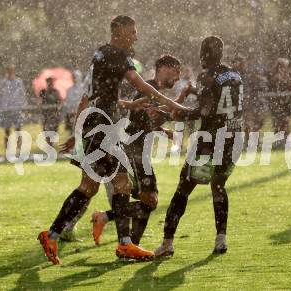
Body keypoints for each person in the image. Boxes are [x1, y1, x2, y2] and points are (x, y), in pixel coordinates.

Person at [37, 15, 189, 265]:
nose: (135, 37)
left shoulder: (100, 55)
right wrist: (173, 104)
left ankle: (52, 235)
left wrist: (81, 131)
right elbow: (141, 84)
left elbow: (93, 96)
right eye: (132, 32)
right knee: (122, 183)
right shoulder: (119, 56)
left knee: (90, 186)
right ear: (117, 34)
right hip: (102, 128)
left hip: (94, 124)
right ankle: (124, 244)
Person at [154, 36, 244, 257]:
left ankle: (167, 242)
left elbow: (204, 111)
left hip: (211, 141)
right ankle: (221, 238)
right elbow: (216, 97)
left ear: (205, 54)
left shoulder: (207, 75)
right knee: (219, 187)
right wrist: (193, 92)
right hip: (234, 138)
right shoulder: (235, 75)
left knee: (183, 189)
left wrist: (172, 113)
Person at [0, 65, 27, 156]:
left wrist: (23, 107)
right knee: (7, 131)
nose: (10, 72)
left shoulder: (18, 81)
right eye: (8, 70)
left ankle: (19, 151)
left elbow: (22, 94)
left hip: (17, 109)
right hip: (6, 110)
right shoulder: (3, 82)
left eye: (11, 70)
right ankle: (8, 151)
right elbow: (0, 95)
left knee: (18, 131)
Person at [268, 58, 291, 149]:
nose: (286, 68)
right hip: (276, 103)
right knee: (277, 123)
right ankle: (278, 142)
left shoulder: (287, 76)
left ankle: (286, 142)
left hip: (285, 103)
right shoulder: (274, 76)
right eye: (284, 66)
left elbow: (288, 86)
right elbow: (273, 86)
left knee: (285, 122)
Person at [39, 77, 62, 146]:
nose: (50, 84)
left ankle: (51, 144)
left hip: (54, 114)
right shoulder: (43, 91)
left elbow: (59, 102)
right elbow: (39, 102)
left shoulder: (56, 92)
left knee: (54, 130)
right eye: (49, 82)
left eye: (51, 82)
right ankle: (49, 144)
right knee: (46, 130)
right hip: (46, 114)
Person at [64, 70, 84, 134]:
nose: (74, 78)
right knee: (72, 132)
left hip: (81, 114)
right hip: (72, 114)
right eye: (73, 77)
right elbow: (68, 102)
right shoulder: (69, 89)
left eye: (76, 77)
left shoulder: (83, 88)